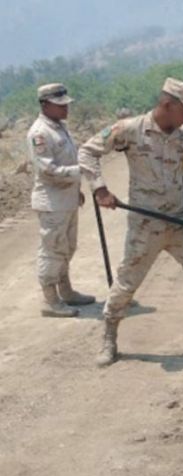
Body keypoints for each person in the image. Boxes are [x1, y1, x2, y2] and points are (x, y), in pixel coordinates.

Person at [79, 77, 183, 366]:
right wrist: (100, 188)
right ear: (167, 105)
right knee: (127, 282)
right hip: (145, 224)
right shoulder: (129, 130)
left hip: (180, 222)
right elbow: (87, 151)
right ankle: (109, 338)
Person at [27, 83, 95, 317]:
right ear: (45, 105)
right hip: (52, 202)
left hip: (66, 199)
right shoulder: (40, 133)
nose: (65, 109)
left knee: (67, 247)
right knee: (52, 250)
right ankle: (50, 300)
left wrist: (77, 189)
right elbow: (48, 170)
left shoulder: (59, 127)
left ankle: (66, 291)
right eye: (60, 105)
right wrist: (81, 171)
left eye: (66, 104)